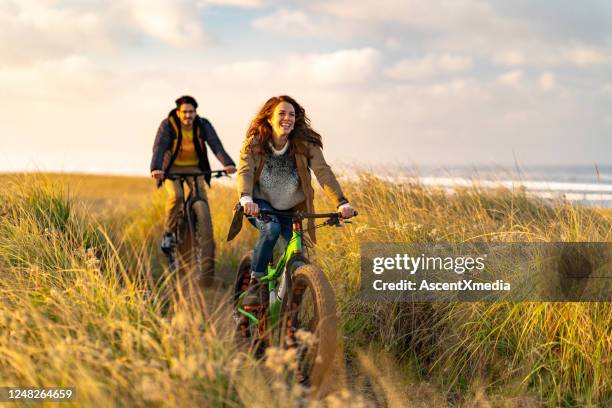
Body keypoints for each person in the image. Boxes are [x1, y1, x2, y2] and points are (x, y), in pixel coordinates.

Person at [236, 95, 355, 306]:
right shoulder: (254, 144)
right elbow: (245, 171)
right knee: (271, 230)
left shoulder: (305, 144)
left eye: (291, 114)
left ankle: (288, 311)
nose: (287, 118)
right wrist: (246, 198)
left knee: (298, 252)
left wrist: (341, 202)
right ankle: (255, 283)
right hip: (260, 206)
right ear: (269, 119)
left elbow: (323, 172)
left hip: (292, 208)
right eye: (281, 113)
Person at [150, 95, 236, 280]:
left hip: (195, 167)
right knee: (177, 196)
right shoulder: (168, 125)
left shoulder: (203, 125)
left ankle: (201, 232)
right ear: (178, 112)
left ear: (196, 112)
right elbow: (159, 147)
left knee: (201, 198)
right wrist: (156, 168)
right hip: (171, 168)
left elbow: (215, 145)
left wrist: (228, 163)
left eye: (191, 112)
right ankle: (168, 235)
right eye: (184, 112)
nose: (188, 115)